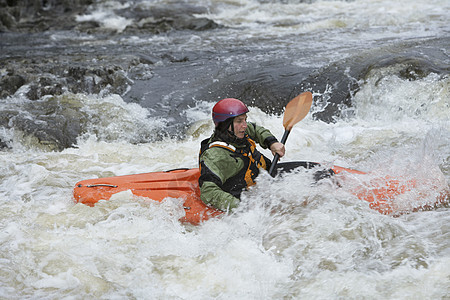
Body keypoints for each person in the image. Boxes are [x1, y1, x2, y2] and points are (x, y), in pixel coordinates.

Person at [198, 98, 285, 211]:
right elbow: (208, 192)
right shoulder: (215, 156)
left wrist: (272, 142)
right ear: (225, 125)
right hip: (245, 198)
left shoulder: (238, 132)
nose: (244, 125)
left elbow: (255, 129)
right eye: (239, 121)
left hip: (266, 178)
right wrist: (241, 207)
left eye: (245, 120)